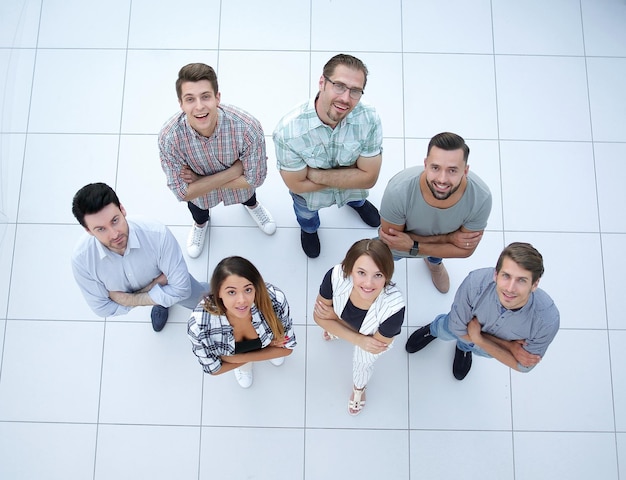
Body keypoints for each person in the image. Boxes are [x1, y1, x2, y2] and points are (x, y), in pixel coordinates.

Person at [159, 63, 276, 259]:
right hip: (203, 198)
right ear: (181, 104)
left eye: (205, 96)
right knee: (198, 211)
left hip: (239, 189)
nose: (199, 106)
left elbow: (255, 179)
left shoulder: (247, 127)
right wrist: (233, 171)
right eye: (190, 99)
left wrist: (198, 180)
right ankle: (200, 224)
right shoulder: (169, 138)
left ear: (217, 98)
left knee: (249, 195)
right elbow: (182, 192)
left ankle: (252, 206)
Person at [273, 54, 383, 258]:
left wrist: (315, 175)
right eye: (339, 86)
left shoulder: (369, 117)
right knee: (306, 217)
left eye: (355, 91)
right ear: (322, 82)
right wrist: (352, 175)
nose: (345, 98)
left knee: (357, 197)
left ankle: (356, 204)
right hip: (309, 198)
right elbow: (297, 185)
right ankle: (309, 230)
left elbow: (369, 179)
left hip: (352, 191)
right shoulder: (288, 131)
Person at [405, 242, 559, 380]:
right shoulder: (476, 283)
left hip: (483, 347)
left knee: (468, 343)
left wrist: (479, 340)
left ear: (534, 284)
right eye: (506, 276)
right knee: (445, 328)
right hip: (457, 328)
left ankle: (463, 348)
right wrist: (508, 346)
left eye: (521, 280)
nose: (510, 288)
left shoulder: (546, 321)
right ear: (496, 274)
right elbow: (456, 328)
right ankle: (433, 330)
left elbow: (523, 366)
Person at [71, 182, 208, 332]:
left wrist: (126, 299)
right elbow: (103, 309)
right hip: (163, 278)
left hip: (170, 281)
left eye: (115, 220)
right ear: (88, 230)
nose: (114, 234)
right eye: (101, 229)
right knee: (168, 291)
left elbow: (182, 289)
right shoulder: (82, 261)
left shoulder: (156, 234)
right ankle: (161, 302)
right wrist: (153, 288)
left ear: (122, 209)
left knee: (202, 298)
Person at [379, 132, 492, 293]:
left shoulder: (480, 198)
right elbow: (392, 240)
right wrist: (448, 239)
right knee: (384, 254)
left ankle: (434, 263)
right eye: (435, 168)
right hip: (407, 246)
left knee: (434, 255)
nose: (442, 179)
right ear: (425, 164)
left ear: (465, 171)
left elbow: (466, 249)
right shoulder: (399, 190)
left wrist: (414, 245)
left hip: (413, 241)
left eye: (452, 170)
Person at [313, 239, 405, 415]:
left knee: (362, 364)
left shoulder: (395, 308)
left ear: (387, 275)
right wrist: (358, 339)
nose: (369, 283)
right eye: (361, 273)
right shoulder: (335, 276)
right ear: (349, 269)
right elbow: (318, 317)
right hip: (363, 335)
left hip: (372, 339)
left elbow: (374, 346)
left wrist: (334, 320)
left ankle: (359, 389)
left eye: (378, 275)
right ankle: (337, 332)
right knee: (332, 324)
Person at [188, 256, 297, 388]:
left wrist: (234, 359)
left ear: (256, 288)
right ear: (218, 293)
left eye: (248, 290)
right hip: (269, 344)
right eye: (232, 292)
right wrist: (270, 350)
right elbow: (214, 369)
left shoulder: (274, 299)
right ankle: (247, 366)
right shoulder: (199, 325)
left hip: (248, 349)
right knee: (264, 358)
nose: (242, 300)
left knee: (277, 356)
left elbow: (288, 348)